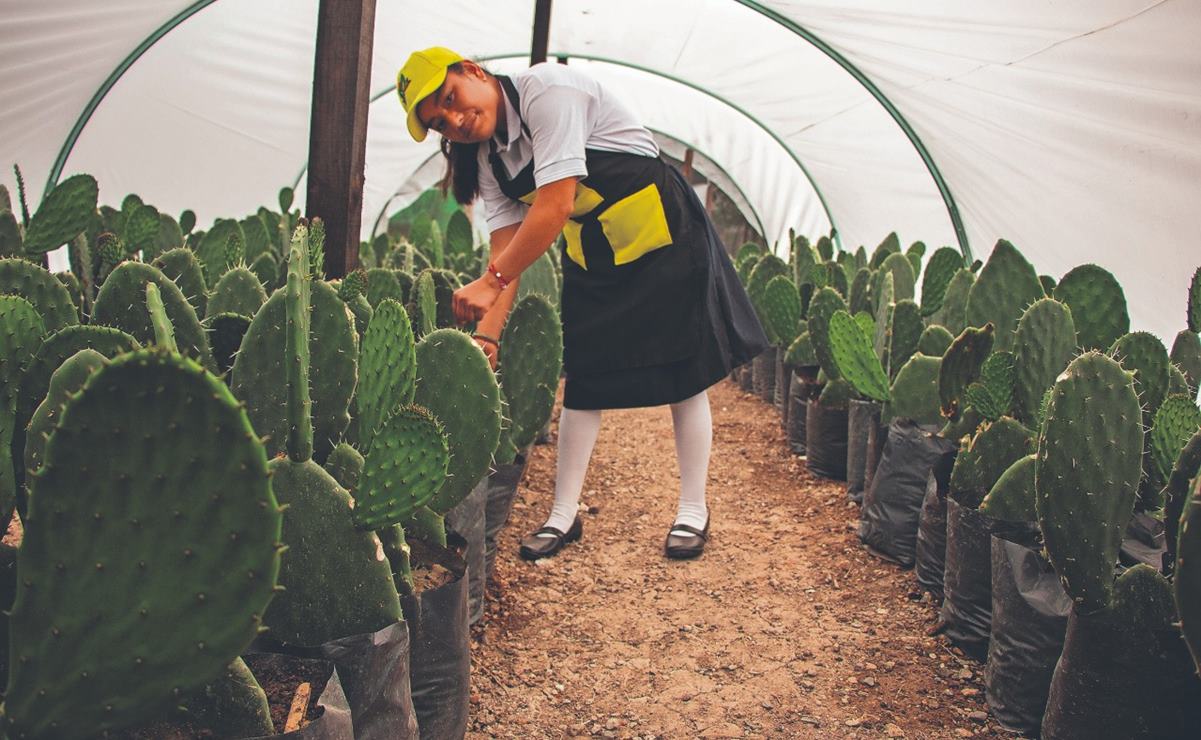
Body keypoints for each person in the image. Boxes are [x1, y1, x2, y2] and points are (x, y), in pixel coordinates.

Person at [397, 47, 769, 560]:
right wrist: (488, 335)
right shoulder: (488, 158)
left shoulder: (549, 92)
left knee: (686, 372)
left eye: (450, 98)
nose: (456, 120)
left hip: (663, 236)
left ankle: (692, 508)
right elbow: (505, 248)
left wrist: (490, 282)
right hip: (594, 251)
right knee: (584, 381)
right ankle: (562, 515)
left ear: (475, 72)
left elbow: (555, 204)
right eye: (442, 122)